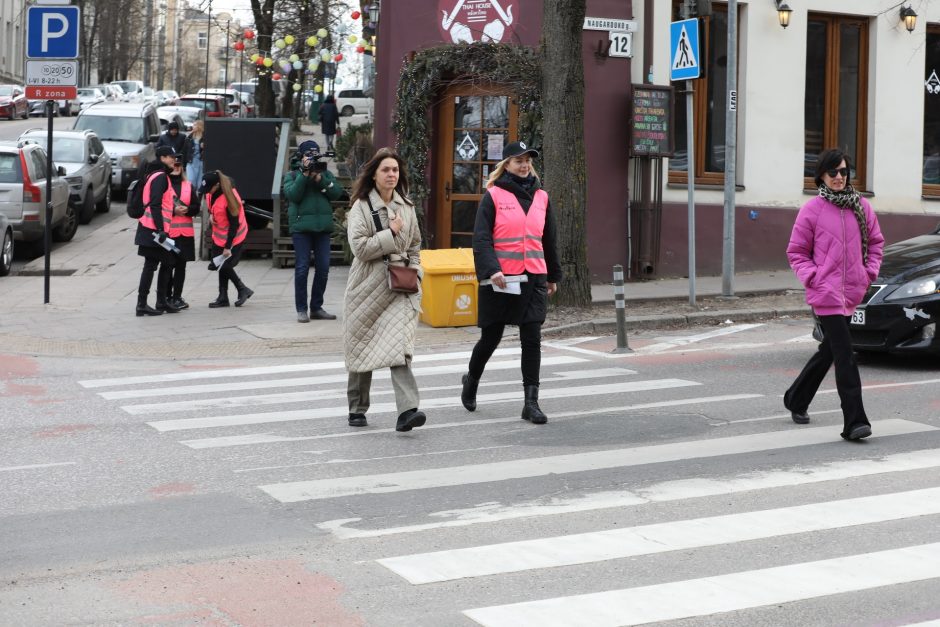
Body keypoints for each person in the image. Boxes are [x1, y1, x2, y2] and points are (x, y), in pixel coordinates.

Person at [784, 148, 884, 441]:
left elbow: (876, 243)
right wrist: (813, 277)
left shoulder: (861, 207)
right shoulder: (811, 210)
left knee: (829, 350)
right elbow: (797, 252)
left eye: (843, 172)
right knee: (844, 355)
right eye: (833, 173)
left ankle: (796, 398)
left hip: (852, 291)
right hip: (825, 293)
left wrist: (868, 273)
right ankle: (855, 422)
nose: (839, 177)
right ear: (821, 177)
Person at [460, 141, 562, 424]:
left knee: (532, 338)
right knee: (491, 338)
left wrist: (553, 274)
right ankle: (472, 379)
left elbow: (548, 239)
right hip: (502, 280)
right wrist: (491, 269)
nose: (524, 164)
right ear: (506, 164)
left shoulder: (542, 196)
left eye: (528, 160)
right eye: (518, 160)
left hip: (533, 277)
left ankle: (531, 403)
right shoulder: (493, 195)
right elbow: (481, 238)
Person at [343, 147, 426, 432]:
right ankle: (357, 406)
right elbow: (360, 249)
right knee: (361, 345)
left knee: (399, 347)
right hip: (367, 284)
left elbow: (415, 244)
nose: (392, 175)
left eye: (395, 170)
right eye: (385, 170)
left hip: (400, 285)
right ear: (374, 175)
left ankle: (408, 411)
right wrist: (390, 233)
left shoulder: (407, 206)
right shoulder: (361, 207)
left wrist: (417, 272)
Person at [283, 140, 344, 322]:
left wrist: (320, 179)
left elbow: (336, 194)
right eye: (308, 154)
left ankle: (316, 307)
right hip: (301, 228)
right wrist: (304, 174)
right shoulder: (292, 175)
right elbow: (293, 195)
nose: (312, 157)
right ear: (301, 156)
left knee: (323, 268)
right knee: (302, 268)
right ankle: (301, 309)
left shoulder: (325, 173)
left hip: (322, 227)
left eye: (315, 154)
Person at [134, 146, 182, 316]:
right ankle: (145, 304)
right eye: (171, 157)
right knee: (153, 265)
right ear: (162, 158)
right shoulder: (160, 177)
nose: (173, 160)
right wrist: (161, 229)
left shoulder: (156, 175)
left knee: (166, 263)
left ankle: (158, 302)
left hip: (152, 228)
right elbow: (155, 204)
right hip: (153, 230)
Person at [201, 170, 254, 308]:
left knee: (225, 264)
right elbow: (212, 207)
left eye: (209, 188)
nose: (207, 192)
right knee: (219, 265)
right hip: (219, 235)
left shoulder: (229, 197)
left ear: (217, 185)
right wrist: (211, 214)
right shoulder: (210, 193)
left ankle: (242, 289)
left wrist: (227, 247)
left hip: (234, 236)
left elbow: (234, 225)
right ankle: (223, 297)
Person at [166, 154, 199, 309]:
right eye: (174, 165)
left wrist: (187, 210)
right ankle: (167, 296)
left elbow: (196, 207)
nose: (176, 168)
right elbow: (159, 207)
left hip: (185, 234)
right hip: (169, 234)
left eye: (179, 166)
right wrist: (173, 211)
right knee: (168, 265)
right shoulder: (164, 184)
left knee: (181, 266)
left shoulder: (188, 185)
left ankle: (177, 297)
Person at [185, 120, 204, 185]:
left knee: (200, 183)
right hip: (191, 162)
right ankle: (192, 194)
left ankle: (198, 194)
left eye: (195, 125)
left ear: (199, 126)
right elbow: (184, 150)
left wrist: (204, 148)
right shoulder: (189, 137)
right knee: (191, 180)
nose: (193, 126)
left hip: (201, 163)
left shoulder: (205, 138)